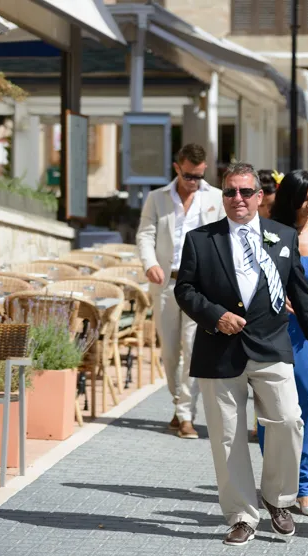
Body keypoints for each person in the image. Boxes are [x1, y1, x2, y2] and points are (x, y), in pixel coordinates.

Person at [174, 162, 308, 546]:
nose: (238, 199)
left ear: (260, 196)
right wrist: (216, 316)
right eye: (230, 192)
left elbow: (300, 294)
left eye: (246, 192)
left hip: (270, 345)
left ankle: (278, 498)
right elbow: (185, 290)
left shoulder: (281, 236)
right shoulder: (201, 239)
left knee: (287, 420)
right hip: (220, 349)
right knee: (228, 436)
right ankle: (242, 515)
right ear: (223, 196)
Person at [256, 170, 308, 517]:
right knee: (274, 411)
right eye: (304, 198)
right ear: (289, 199)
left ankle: (306, 488)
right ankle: (277, 484)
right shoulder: (267, 235)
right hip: (273, 330)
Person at [136, 143, 225, 439]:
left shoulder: (215, 198)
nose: (194, 182)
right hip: (165, 284)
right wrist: (150, 263)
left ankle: (186, 414)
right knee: (170, 353)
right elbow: (145, 234)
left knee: (191, 350)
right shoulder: (157, 198)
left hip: (199, 287)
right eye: (189, 176)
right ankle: (178, 405)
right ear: (177, 168)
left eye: (199, 176)